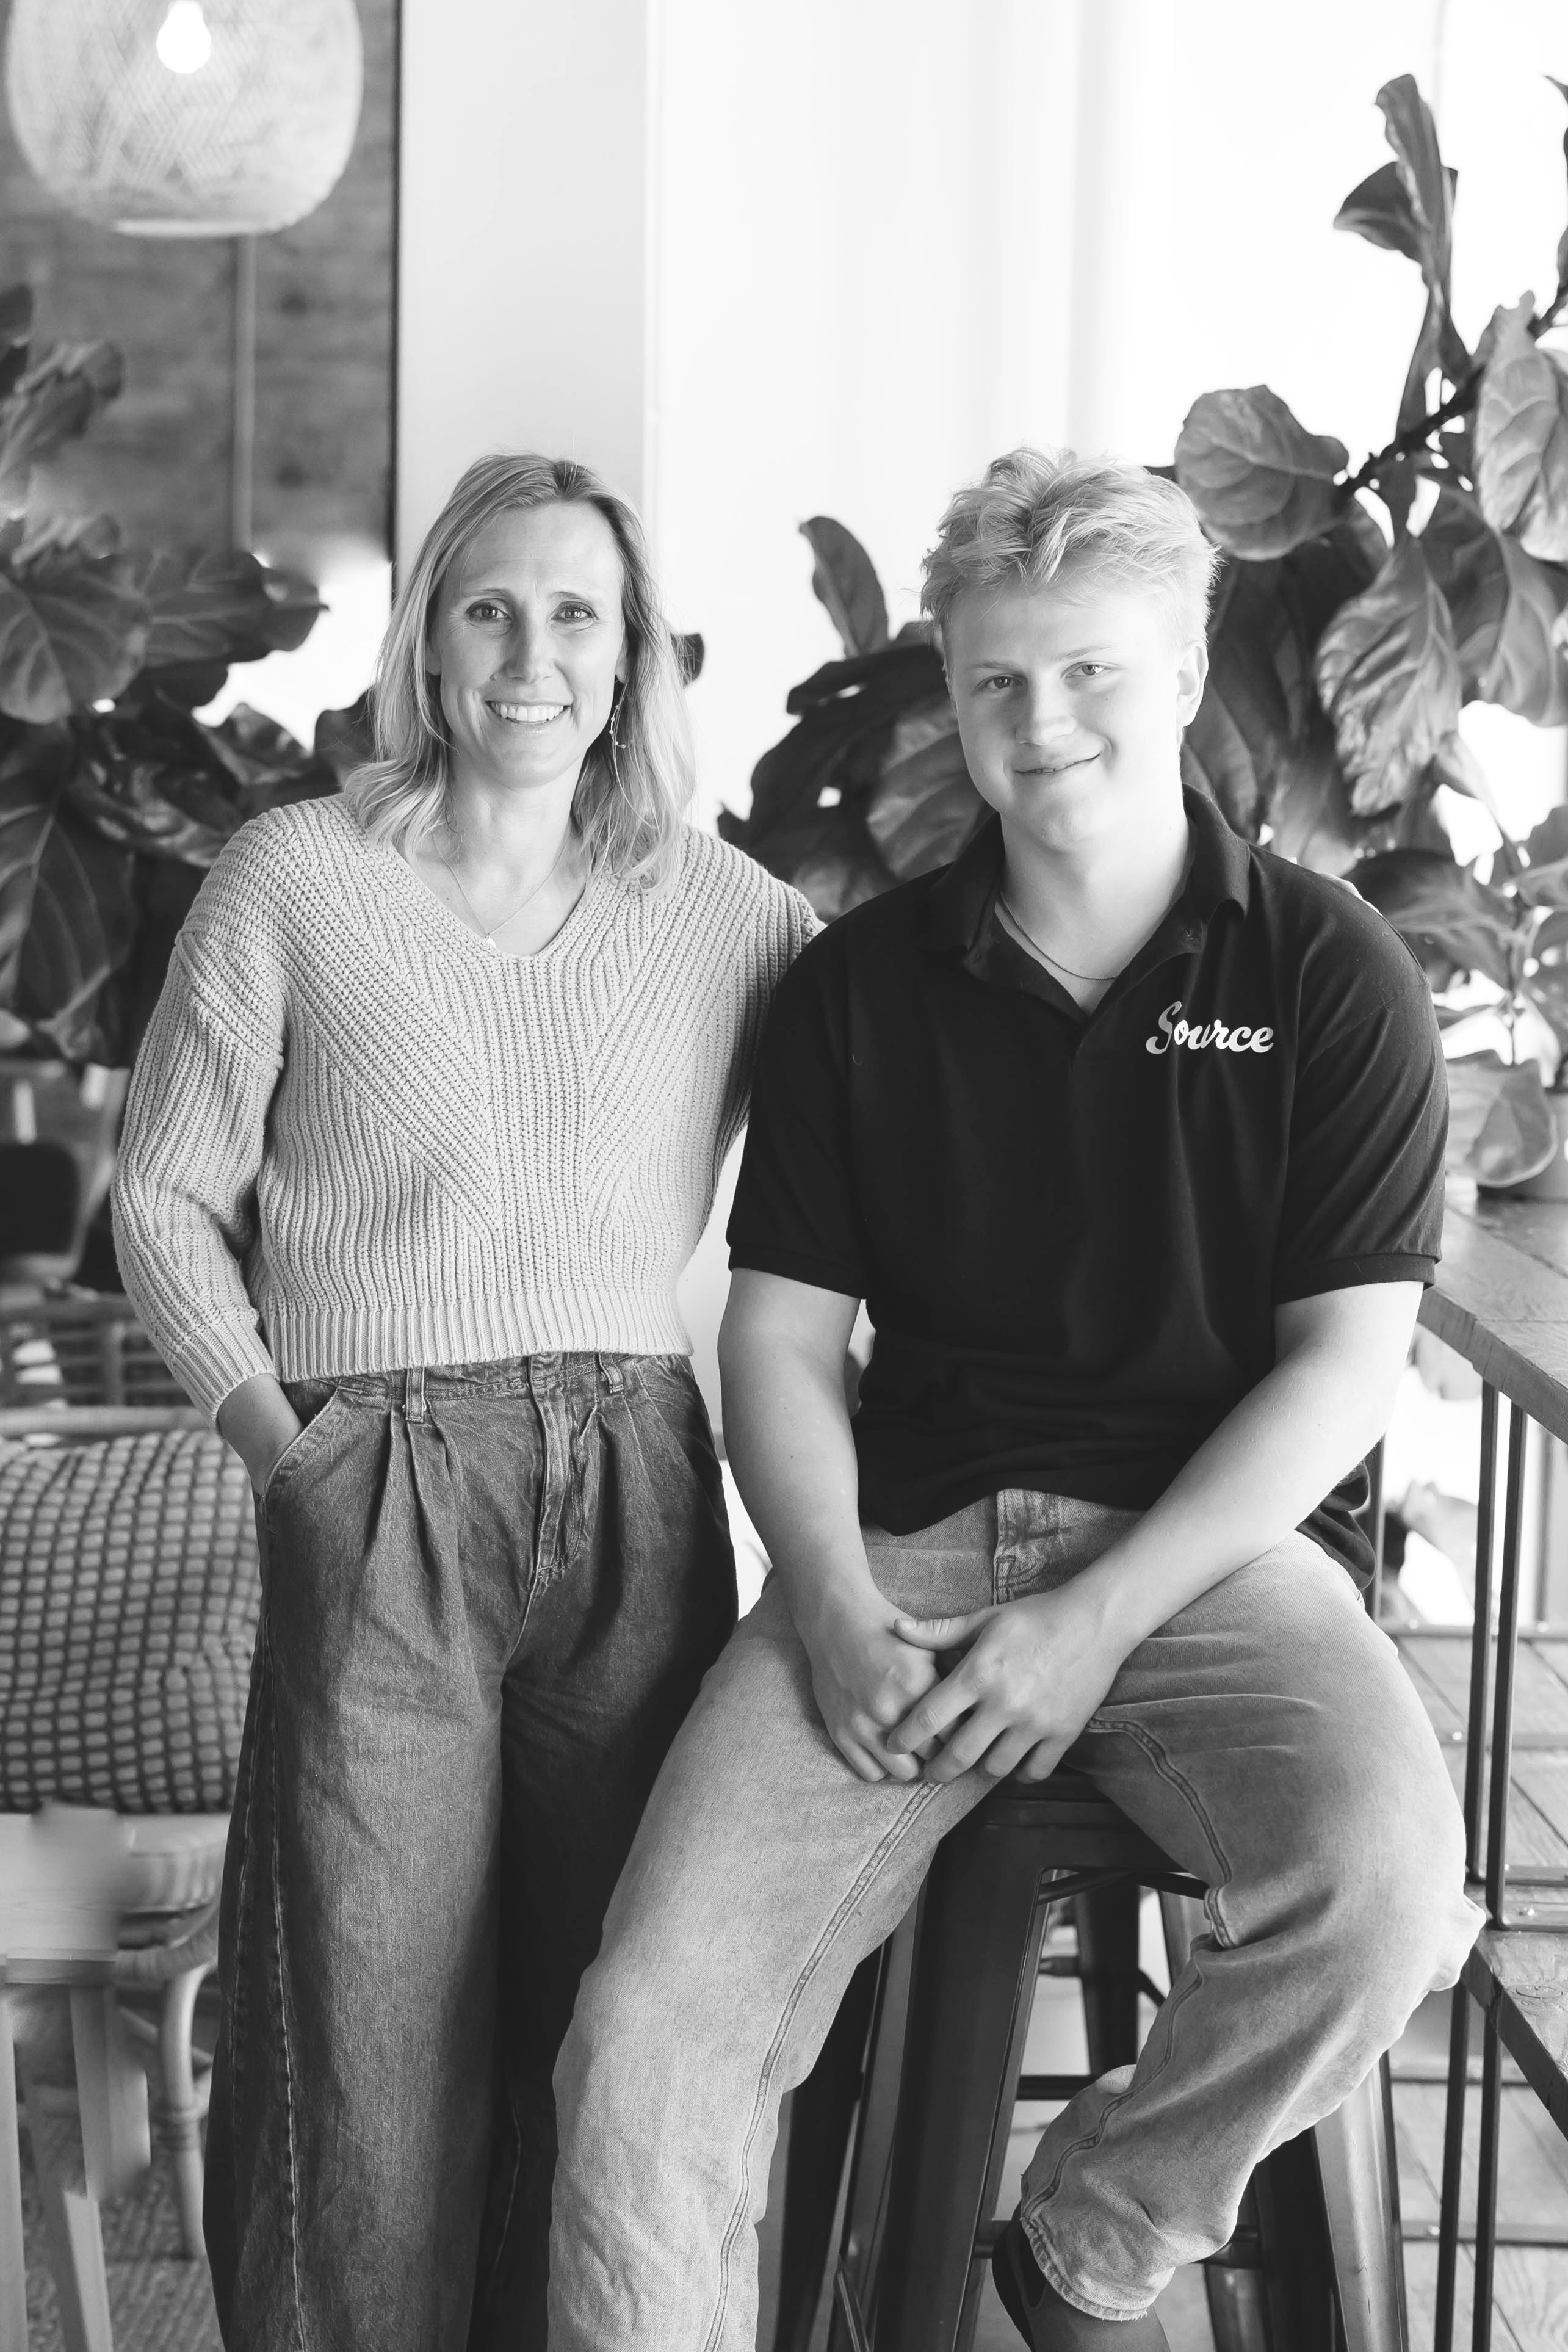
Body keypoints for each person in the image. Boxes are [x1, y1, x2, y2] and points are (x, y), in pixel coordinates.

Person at [547, 449, 1482, 2350]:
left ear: (1182, 674)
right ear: (955, 691)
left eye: (1089, 672)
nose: (1040, 720)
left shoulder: (1328, 972)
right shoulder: (860, 990)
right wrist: (824, 1596)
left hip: (1210, 1564)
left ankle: (1088, 2240)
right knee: (643, 2042)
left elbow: (1342, 1366)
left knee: (1387, 1900)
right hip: (898, 1563)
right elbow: (779, 1338)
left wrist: (1100, 1615)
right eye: (996, 679)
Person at [111, 451, 815, 2352]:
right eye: (487, 609)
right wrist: (287, 1452)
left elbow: (910, 1117)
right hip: (381, 1481)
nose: (528, 656)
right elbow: (161, 1197)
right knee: (365, 2022)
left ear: (635, 653)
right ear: (426, 640)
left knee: (609, 2012)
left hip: (639, 1486)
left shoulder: (733, 916)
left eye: (574, 614)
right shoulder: (295, 875)